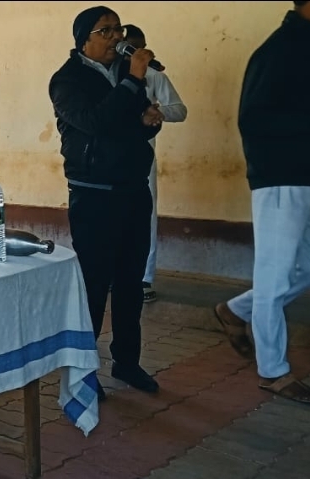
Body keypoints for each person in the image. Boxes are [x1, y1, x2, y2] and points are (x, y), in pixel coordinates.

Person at [49, 6, 164, 397]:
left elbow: (128, 123)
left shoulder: (124, 74)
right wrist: (132, 82)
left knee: (130, 283)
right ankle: (83, 371)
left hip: (133, 190)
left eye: (118, 29)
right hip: (94, 195)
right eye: (106, 30)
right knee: (94, 285)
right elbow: (96, 123)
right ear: (84, 39)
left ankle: (127, 363)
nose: (117, 37)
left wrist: (148, 119)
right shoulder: (67, 80)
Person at [213, 1, 310, 405]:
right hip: (280, 177)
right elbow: (253, 118)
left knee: (304, 269)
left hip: (303, 175)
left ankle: (236, 310)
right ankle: (273, 371)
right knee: (275, 274)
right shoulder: (280, 49)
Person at [123, 24, 189, 303]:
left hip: (143, 157)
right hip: (110, 159)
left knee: (145, 215)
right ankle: (118, 274)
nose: (138, 53)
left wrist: (157, 112)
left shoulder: (154, 77)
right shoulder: (108, 77)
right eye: (131, 47)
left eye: (141, 47)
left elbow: (180, 110)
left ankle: (144, 278)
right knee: (116, 215)